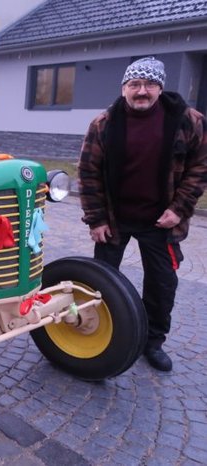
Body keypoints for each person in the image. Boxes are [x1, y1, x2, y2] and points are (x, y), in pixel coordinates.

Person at [78, 56, 207, 372]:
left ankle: (153, 341)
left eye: (149, 84)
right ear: (124, 88)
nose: (141, 91)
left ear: (160, 88)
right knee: (102, 281)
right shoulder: (104, 124)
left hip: (161, 221)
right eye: (134, 84)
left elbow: (200, 167)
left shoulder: (188, 121)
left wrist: (179, 210)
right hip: (114, 219)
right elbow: (88, 172)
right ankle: (105, 334)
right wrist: (96, 219)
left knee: (162, 284)